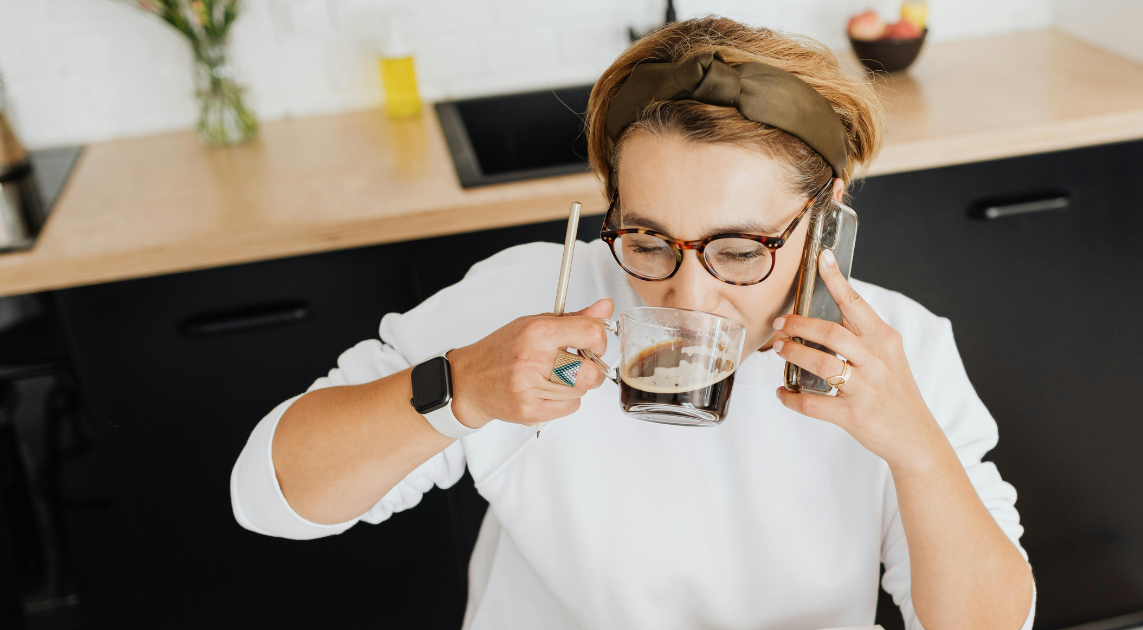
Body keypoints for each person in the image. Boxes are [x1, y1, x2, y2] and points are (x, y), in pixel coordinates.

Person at [231, 16, 1035, 630]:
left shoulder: (897, 352)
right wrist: (460, 388)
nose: (686, 298)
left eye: (738, 248)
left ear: (828, 223)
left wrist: (917, 449)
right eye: (648, 240)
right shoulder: (529, 301)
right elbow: (268, 499)